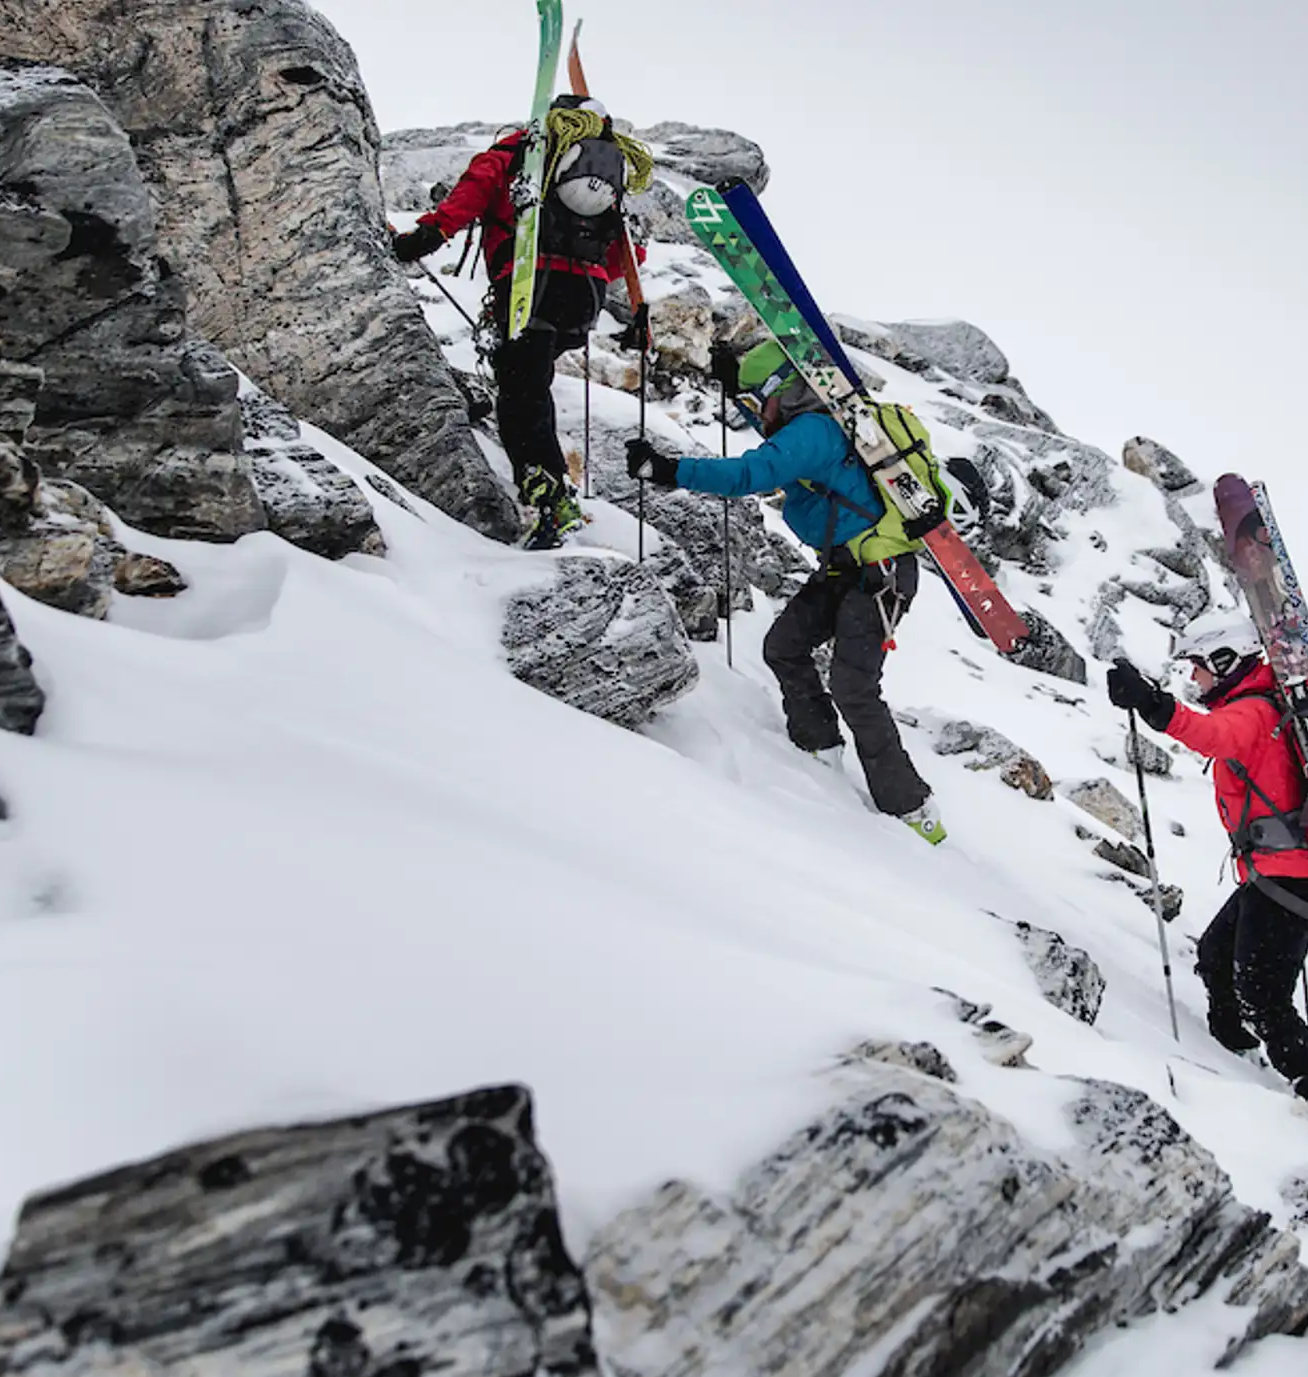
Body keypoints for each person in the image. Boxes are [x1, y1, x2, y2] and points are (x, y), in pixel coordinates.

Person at [621, 343, 947, 846]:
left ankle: (911, 808)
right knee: (784, 647)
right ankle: (818, 748)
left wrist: (666, 470)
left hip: (880, 574)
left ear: (782, 392)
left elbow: (748, 474)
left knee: (854, 686)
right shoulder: (815, 430)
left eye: (758, 397)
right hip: (845, 568)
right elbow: (778, 457)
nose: (755, 409)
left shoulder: (814, 432)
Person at [1103, 610, 1308, 1147]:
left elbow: (1207, 734)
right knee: (1215, 955)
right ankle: (1234, 1055)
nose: (1195, 680)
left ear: (1228, 661)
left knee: (1263, 993)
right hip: (1281, 872)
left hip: (1292, 876)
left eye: (1200, 669)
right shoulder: (1267, 702)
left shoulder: (1255, 710)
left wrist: (1151, 703)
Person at [391, 97, 651, 550]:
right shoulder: (604, 176)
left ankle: (547, 497)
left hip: (530, 286)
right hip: (583, 300)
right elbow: (626, 253)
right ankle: (550, 489)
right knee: (532, 384)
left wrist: (426, 237)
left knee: (519, 394)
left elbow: (473, 192)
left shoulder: (522, 154)